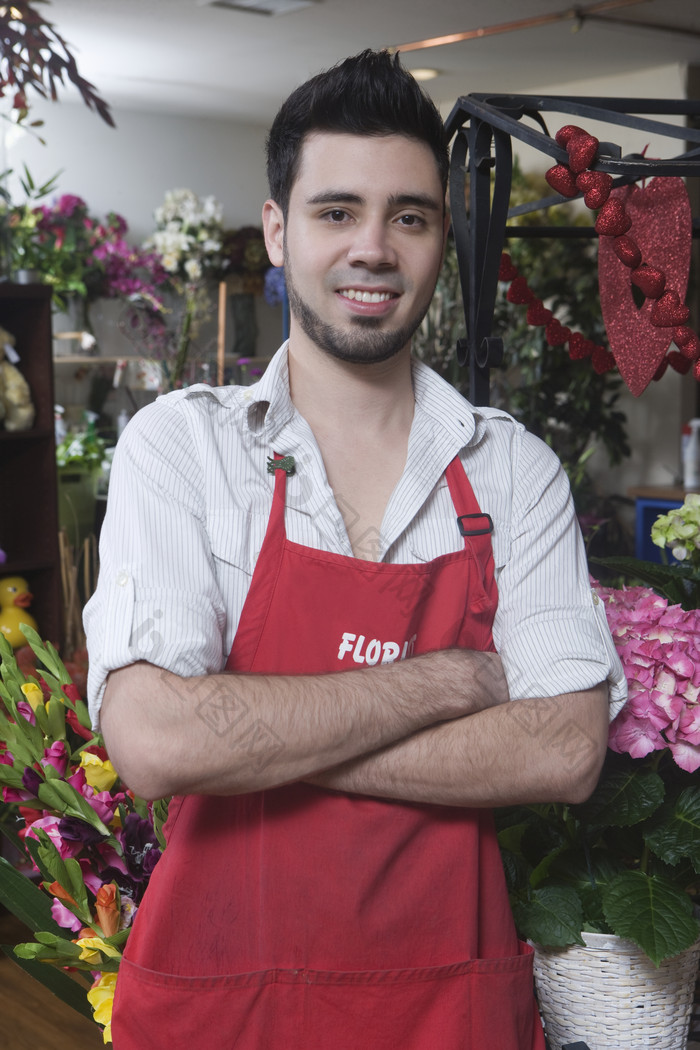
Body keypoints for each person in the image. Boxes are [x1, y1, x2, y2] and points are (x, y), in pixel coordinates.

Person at [85, 49, 627, 1049]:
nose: (373, 247)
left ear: (440, 239)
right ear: (280, 231)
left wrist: (252, 734)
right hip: (218, 1002)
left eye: (408, 217)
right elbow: (157, 743)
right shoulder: (186, 447)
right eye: (337, 212)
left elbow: (562, 749)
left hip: (444, 1003)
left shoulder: (510, 469)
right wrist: (456, 678)